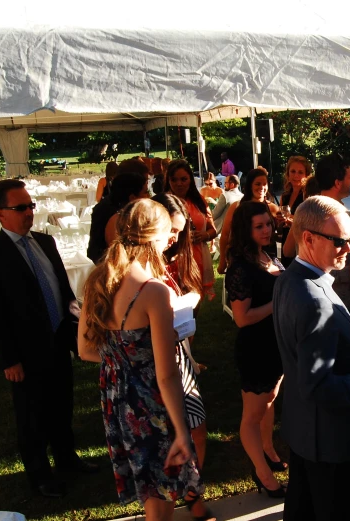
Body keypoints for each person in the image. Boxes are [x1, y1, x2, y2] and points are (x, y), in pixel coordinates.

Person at [77, 199, 203, 521]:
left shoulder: (97, 280)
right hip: (152, 404)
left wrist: (121, 364)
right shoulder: (153, 291)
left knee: (150, 493)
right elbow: (167, 376)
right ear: (154, 237)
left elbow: (85, 350)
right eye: (166, 235)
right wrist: (181, 430)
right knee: (161, 501)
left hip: (118, 401)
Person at [0, 179, 99, 498]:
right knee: (32, 415)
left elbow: (64, 292)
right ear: (0, 213)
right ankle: (40, 474)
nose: (29, 213)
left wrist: (77, 334)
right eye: (20, 208)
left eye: (31, 206)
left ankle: (67, 458)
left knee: (62, 404)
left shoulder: (45, 242)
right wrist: (9, 359)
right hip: (25, 351)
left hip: (58, 339)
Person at [272, 196, 350, 521]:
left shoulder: (288, 279)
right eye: (339, 241)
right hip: (329, 441)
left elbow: (304, 360)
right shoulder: (315, 301)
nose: (348, 249)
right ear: (308, 238)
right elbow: (319, 387)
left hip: (304, 434)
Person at [150, 193, 214, 521]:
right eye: (170, 231)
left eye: (180, 231)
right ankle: (176, 501)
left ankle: (192, 493)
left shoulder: (167, 260)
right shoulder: (140, 272)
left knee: (198, 430)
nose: (175, 238)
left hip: (181, 357)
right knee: (171, 442)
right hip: (159, 366)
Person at [225, 201, 288, 498]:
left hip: (276, 345)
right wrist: (278, 303)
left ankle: (270, 451)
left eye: (268, 224)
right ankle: (263, 475)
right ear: (245, 230)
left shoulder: (268, 255)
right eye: (259, 226)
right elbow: (242, 318)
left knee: (269, 400)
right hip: (256, 349)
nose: (266, 230)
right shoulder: (240, 268)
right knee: (252, 414)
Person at [316, 153, 350, 318]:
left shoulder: (339, 209)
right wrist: (348, 272)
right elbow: (310, 266)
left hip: (349, 300)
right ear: (337, 183)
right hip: (331, 306)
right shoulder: (317, 216)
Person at [165, 160, 218, 299]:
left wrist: (204, 235)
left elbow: (213, 230)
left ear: (190, 180)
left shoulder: (198, 200)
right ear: (168, 180)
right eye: (174, 179)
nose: (179, 183)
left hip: (197, 259)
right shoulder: (163, 202)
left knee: (194, 304)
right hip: (172, 261)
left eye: (183, 179)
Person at [218, 167, 279, 274]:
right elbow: (225, 235)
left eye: (265, 184)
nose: (262, 187)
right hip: (242, 259)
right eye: (257, 184)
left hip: (267, 258)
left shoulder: (273, 208)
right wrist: (222, 261)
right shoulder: (236, 206)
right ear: (250, 185)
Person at [87, 169, 150, 263]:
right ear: (132, 197)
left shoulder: (110, 204)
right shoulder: (117, 216)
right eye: (145, 192)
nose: (148, 196)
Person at [278, 156, 313, 265]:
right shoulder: (285, 196)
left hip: (300, 245)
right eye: (293, 171)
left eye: (300, 172)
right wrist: (279, 219)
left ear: (306, 175)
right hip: (286, 240)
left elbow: (310, 222)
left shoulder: (307, 196)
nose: (296, 176)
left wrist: (292, 221)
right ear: (287, 174)